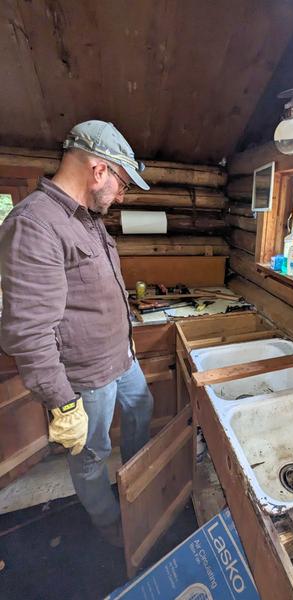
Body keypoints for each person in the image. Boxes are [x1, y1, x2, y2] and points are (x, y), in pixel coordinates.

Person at [0, 121, 154, 546]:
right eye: (122, 183)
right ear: (98, 170)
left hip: (121, 357)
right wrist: (63, 405)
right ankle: (108, 522)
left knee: (143, 409)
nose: (122, 195)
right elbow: (29, 331)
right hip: (86, 376)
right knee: (91, 453)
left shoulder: (87, 219)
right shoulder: (34, 223)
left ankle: (137, 486)